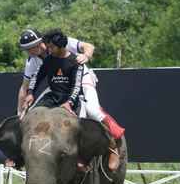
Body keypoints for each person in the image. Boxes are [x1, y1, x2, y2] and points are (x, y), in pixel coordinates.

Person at [26, 29, 120, 170]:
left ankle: (112, 147)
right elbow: (34, 78)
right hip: (60, 85)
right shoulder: (38, 60)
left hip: (82, 77)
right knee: (33, 112)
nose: (48, 49)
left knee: (92, 111)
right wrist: (30, 93)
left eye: (51, 46)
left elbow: (89, 47)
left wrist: (86, 56)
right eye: (47, 46)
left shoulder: (70, 48)